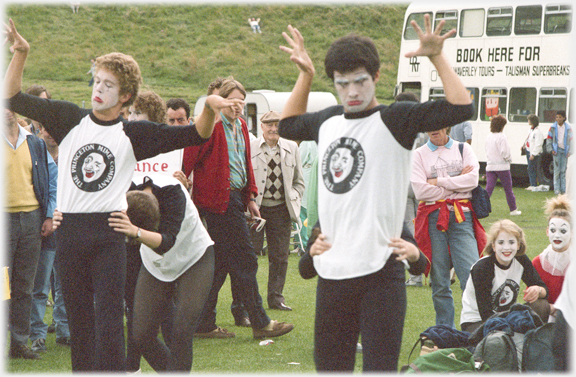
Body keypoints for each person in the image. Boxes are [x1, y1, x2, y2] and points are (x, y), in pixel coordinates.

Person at [4, 19, 242, 371]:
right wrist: (21, 53)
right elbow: (11, 96)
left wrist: (209, 107)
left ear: (126, 95)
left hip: (110, 232)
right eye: (97, 81)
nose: (98, 89)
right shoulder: (69, 117)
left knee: (112, 321)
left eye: (109, 84)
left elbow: (196, 135)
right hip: (69, 231)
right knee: (81, 323)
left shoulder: (134, 133)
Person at [277, 14, 473, 371]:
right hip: (334, 271)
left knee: (379, 368)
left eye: (360, 82)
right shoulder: (328, 121)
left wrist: (436, 57)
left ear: (376, 77)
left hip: (381, 272)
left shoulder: (395, 119)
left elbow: (461, 107)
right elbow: (288, 125)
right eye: (342, 83)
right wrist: (304, 75)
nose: (352, 92)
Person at [182, 77, 294, 340]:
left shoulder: (241, 125)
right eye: (233, 102)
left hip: (235, 199)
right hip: (218, 201)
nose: (238, 107)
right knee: (245, 258)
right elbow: (189, 157)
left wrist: (251, 197)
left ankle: (203, 323)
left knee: (221, 264)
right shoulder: (210, 125)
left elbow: (244, 164)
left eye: (241, 102)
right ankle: (260, 322)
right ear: (221, 100)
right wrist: (182, 177)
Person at [109, 175, 215, 372]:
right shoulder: (123, 190)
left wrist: (137, 232)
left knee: (181, 332)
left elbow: (165, 243)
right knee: (140, 335)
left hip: (195, 257)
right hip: (155, 265)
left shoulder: (174, 193)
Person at [412, 123, 486, 328]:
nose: (433, 129)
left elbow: (471, 181)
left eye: (438, 124)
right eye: (430, 125)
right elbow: (420, 191)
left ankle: (474, 327)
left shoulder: (464, 148)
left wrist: (437, 181)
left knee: (471, 276)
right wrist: (456, 183)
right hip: (434, 221)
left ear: (447, 126)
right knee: (440, 281)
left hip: (462, 219)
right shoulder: (419, 154)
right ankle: (445, 330)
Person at [5, 107, 57, 360]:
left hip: (32, 220)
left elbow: (50, 179)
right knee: (2, 285)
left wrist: (48, 214)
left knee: (25, 286)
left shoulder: (34, 142)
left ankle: (19, 343)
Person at [250, 110, 305, 311]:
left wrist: (294, 198)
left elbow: (299, 181)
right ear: (261, 126)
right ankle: (249, 299)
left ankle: (276, 299)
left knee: (280, 257)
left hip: (282, 209)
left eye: (277, 125)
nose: (273, 129)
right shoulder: (251, 147)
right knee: (250, 256)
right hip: (255, 209)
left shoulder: (292, 147)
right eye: (269, 125)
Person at [460, 219, 549, 333]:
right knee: (499, 338)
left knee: (541, 305)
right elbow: (486, 314)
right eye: (501, 242)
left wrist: (538, 290)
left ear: (518, 245)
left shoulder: (520, 259)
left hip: (507, 317)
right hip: (477, 322)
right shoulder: (482, 268)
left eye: (511, 242)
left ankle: (534, 342)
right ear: (493, 246)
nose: (506, 248)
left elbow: (544, 290)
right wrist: (513, 325)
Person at [30, 120, 70, 353]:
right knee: (40, 284)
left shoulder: (69, 154)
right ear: (41, 130)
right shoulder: (35, 152)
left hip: (67, 226)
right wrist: (48, 216)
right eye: (48, 129)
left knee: (64, 282)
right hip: (44, 225)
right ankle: (37, 332)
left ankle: (64, 329)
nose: (52, 135)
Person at [395, 91, 427, 287]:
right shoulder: (425, 129)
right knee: (426, 230)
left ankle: (415, 276)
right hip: (425, 185)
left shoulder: (397, 129)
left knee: (410, 228)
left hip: (405, 185)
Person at [532, 195, 571, 320]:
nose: (557, 236)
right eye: (553, 230)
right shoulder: (538, 262)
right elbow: (533, 300)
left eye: (563, 231)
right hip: (547, 318)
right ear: (547, 231)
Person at [485, 115, 521, 215]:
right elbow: (505, 152)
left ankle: (481, 207)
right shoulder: (502, 137)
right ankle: (513, 209)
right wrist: (509, 159)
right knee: (508, 189)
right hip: (502, 167)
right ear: (501, 126)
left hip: (490, 166)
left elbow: (487, 150)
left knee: (488, 189)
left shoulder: (489, 136)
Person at [296, 140, 317, 249]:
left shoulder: (306, 142)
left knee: (303, 210)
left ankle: (303, 242)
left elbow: (299, 160)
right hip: (312, 174)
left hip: (306, 175)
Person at [547, 110, 573, 195]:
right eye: (557, 117)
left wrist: (570, 151)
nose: (558, 119)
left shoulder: (568, 128)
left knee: (563, 171)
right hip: (556, 151)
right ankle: (557, 189)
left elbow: (572, 140)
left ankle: (563, 189)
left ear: (564, 118)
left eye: (560, 117)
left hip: (565, 151)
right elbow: (549, 139)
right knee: (557, 171)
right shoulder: (553, 127)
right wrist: (551, 149)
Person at [525, 114, 544, 191]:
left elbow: (538, 144)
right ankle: (532, 183)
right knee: (530, 168)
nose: (528, 121)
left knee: (531, 168)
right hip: (528, 150)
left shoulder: (537, 132)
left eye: (529, 120)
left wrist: (533, 154)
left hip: (534, 153)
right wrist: (524, 146)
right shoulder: (531, 130)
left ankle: (533, 184)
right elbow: (528, 139)